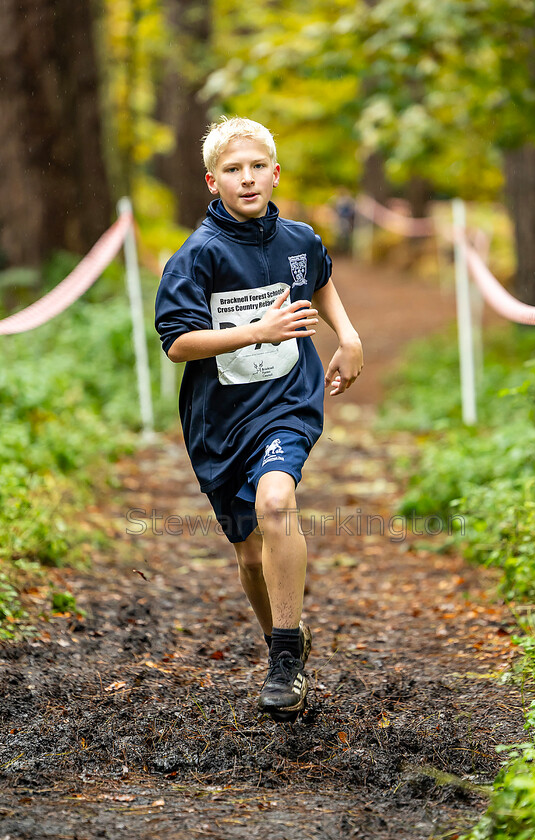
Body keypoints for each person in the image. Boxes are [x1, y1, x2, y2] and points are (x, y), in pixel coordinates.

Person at [155, 117, 363, 723]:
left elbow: (318, 280)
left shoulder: (299, 238)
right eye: (231, 170)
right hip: (218, 419)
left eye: (256, 167)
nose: (246, 178)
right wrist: (259, 330)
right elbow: (177, 344)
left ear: (275, 173)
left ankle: (281, 654)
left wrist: (347, 337)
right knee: (250, 556)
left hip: (288, 401)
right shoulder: (196, 256)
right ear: (211, 182)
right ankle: (288, 646)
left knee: (277, 503)